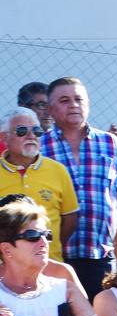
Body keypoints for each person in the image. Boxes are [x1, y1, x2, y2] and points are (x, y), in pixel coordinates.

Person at [40, 76, 117, 298]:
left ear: (88, 104)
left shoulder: (110, 144)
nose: (73, 104)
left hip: (101, 255)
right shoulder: (40, 147)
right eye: (64, 100)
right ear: (50, 110)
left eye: (79, 99)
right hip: (55, 258)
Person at [0, 108, 77, 260]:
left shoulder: (58, 170)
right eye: (22, 131)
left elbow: (70, 218)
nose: (31, 136)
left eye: (37, 131)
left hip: (48, 262)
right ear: (4, 138)